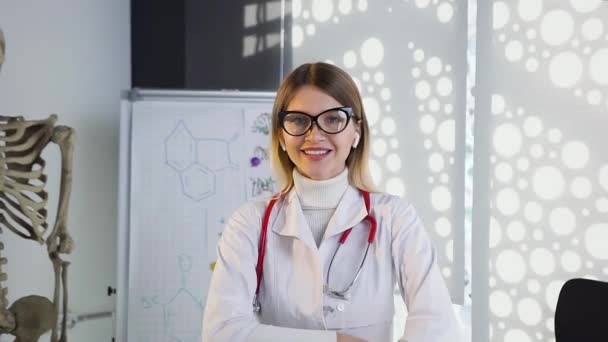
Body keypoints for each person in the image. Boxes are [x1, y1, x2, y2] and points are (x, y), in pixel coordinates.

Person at [202, 62, 460, 341]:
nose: (314, 135)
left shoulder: (394, 217)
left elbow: (438, 326)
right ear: (280, 135)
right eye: (299, 120)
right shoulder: (249, 223)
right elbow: (222, 333)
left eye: (333, 119)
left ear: (356, 132)